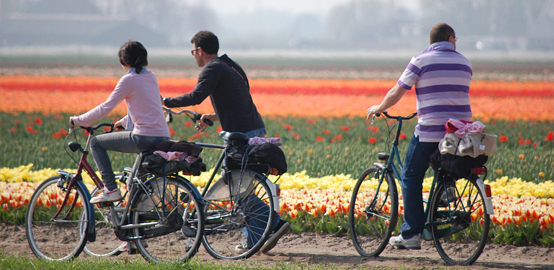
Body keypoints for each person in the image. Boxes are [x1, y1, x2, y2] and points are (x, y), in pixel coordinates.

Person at [163, 30, 290, 254]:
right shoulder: (231, 65)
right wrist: (213, 117)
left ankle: (274, 223)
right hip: (254, 127)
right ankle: (254, 240)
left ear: (200, 51)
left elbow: (196, 97)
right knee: (242, 185)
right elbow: (238, 100)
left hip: (242, 133)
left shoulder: (211, 68)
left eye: (193, 51)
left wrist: (164, 101)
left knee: (236, 187)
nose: (193, 56)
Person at [366, 23, 472, 249]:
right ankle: (446, 189)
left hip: (431, 130)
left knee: (410, 176)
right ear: (451, 39)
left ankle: (411, 234)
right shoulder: (465, 62)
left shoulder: (421, 60)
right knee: (443, 162)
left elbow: (397, 91)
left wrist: (379, 107)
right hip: (460, 132)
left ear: (432, 41)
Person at [70, 40, 171, 204]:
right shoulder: (151, 76)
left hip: (144, 137)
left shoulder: (128, 79)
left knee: (96, 143)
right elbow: (147, 106)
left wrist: (78, 120)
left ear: (124, 61)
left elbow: (105, 108)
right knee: (137, 184)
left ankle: (110, 189)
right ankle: (136, 220)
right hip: (163, 137)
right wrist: (124, 122)